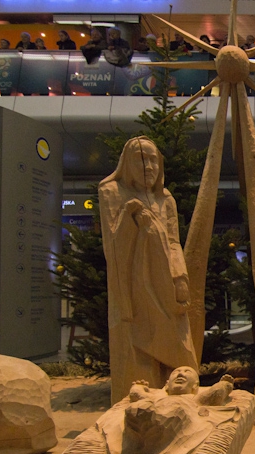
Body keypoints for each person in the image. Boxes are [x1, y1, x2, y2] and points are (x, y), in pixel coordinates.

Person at [99, 137, 197, 404]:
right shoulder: (111, 192)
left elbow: (174, 242)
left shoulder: (165, 199)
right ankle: (142, 401)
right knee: (139, 347)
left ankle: (179, 400)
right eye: (141, 160)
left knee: (179, 345)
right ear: (127, 164)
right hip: (134, 285)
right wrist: (130, 217)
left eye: (153, 160)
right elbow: (112, 245)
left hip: (166, 280)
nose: (148, 167)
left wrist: (180, 276)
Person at [97, 367, 238, 454]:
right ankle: (136, 446)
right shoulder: (156, 398)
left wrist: (224, 385)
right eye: (176, 372)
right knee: (139, 408)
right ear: (166, 385)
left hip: (174, 421)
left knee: (174, 412)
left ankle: (149, 448)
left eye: (187, 372)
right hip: (146, 418)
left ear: (195, 386)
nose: (180, 374)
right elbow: (136, 395)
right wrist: (138, 387)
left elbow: (214, 395)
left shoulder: (193, 399)